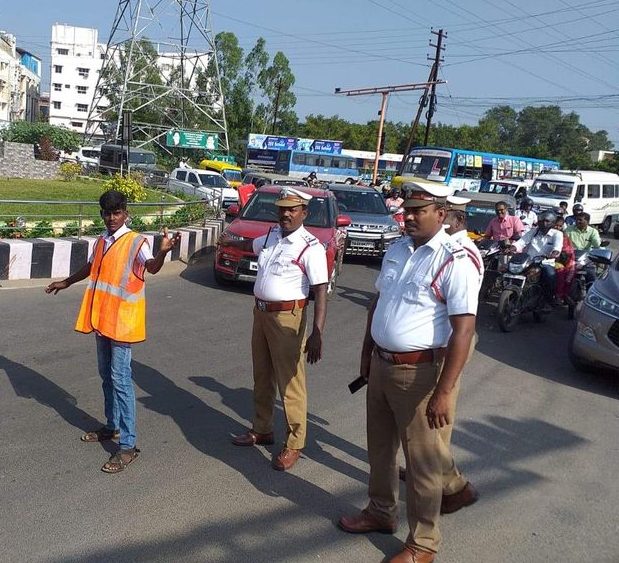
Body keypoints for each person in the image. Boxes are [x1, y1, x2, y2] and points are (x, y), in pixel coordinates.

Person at [338, 182, 480, 563]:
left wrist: (445, 392)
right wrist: (367, 353)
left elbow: (464, 329)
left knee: (422, 463)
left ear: (441, 212)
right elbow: (378, 303)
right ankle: (381, 512)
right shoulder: (398, 249)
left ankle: (423, 544)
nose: (410, 216)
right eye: (408, 209)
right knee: (381, 449)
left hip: (422, 372)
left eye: (420, 210)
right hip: (383, 365)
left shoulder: (457, 259)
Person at [45, 190, 181, 474]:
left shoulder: (136, 242)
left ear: (126, 213)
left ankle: (129, 446)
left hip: (123, 323)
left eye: (116, 213)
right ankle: (112, 426)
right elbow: (90, 267)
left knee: (121, 380)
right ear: (102, 214)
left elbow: (151, 268)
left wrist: (164, 251)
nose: (111, 218)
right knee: (106, 376)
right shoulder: (102, 241)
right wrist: (66, 282)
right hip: (102, 320)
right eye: (107, 213)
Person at [220, 187, 328, 472]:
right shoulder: (271, 237)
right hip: (262, 314)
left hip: (288, 319)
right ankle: (262, 428)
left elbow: (321, 289)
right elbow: (248, 245)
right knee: (262, 374)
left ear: (304, 213)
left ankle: (294, 443)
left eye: (292, 209)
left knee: (290, 382)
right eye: (282, 209)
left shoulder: (310, 247)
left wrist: (317, 331)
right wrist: (228, 237)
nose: (286, 214)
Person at [512, 210, 562, 308]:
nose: (544, 223)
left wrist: (554, 254)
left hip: (546, 263)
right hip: (528, 262)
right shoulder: (533, 232)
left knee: (550, 275)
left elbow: (557, 248)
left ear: (552, 223)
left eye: (547, 221)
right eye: (541, 221)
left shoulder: (557, 234)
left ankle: (548, 300)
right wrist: (512, 247)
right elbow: (521, 242)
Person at [565, 212, 601, 285]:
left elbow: (597, 245)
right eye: (577, 220)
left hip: (586, 258)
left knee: (592, 277)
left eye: (580, 220)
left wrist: (596, 240)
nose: (577, 221)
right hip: (571, 256)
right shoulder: (569, 229)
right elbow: (565, 242)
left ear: (587, 222)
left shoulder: (593, 231)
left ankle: (589, 294)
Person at [553, 216, 576, 302]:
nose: (557, 228)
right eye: (555, 225)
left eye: (559, 226)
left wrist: (555, 255)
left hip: (562, 260)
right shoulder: (541, 233)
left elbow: (567, 252)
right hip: (544, 259)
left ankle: (562, 295)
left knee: (564, 272)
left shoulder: (564, 237)